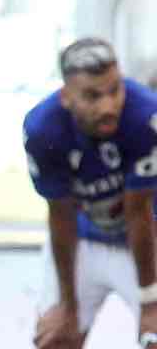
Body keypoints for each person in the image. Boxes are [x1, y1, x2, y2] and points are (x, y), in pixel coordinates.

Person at [25, 38, 157, 349]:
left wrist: (150, 303)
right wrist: (68, 307)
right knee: (56, 336)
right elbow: (60, 216)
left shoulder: (145, 116)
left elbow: (138, 214)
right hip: (81, 242)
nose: (108, 106)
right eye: (92, 96)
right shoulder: (42, 129)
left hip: (145, 240)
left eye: (114, 90)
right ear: (66, 97)